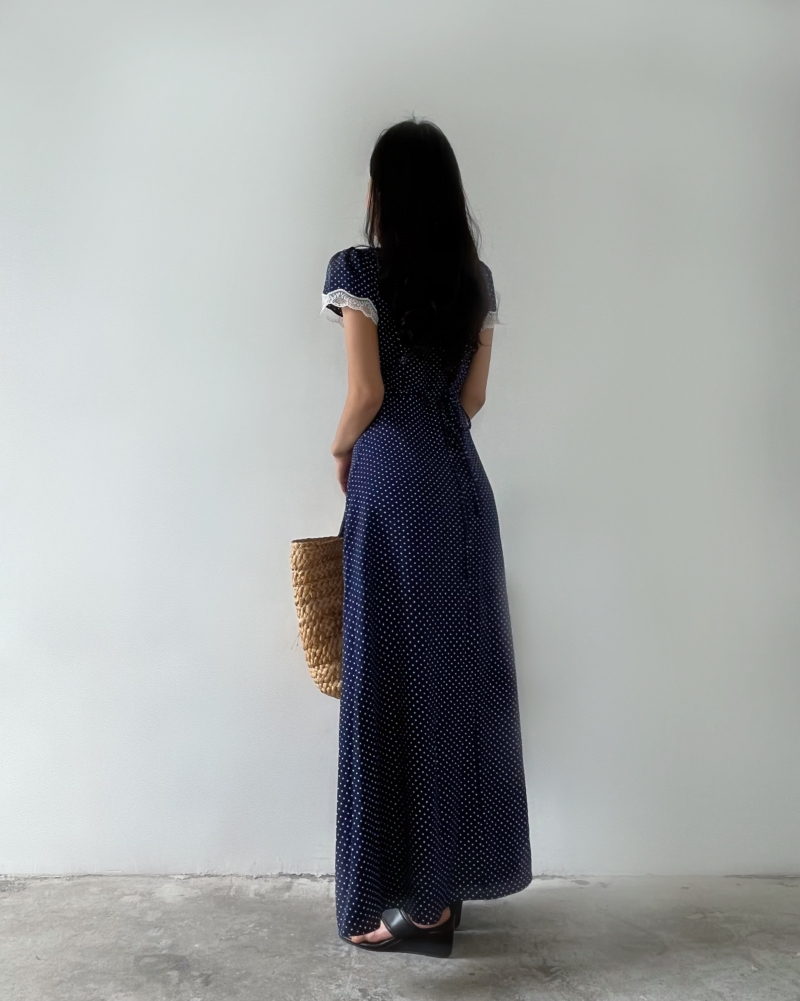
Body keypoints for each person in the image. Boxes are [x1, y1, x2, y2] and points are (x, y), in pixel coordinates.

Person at [321, 117, 532, 958]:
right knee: (452, 681)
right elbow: (471, 399)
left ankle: (398, 900)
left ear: (383, 193)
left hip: (394, 483)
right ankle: (440, 893)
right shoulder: (475, 281)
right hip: (459, 487)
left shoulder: (359, 272)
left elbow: (366, 392)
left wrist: (340, 448)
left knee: (385, 679)